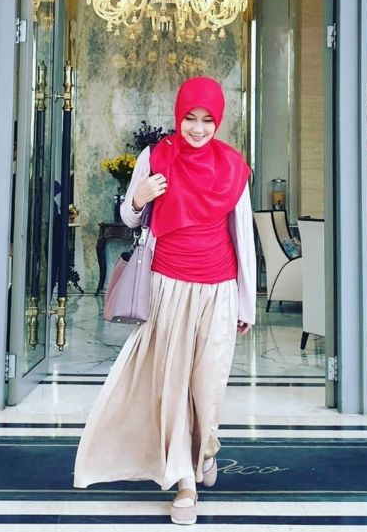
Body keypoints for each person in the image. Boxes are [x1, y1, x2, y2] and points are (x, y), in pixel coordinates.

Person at [74, 77, 256, 525]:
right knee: (173, 385)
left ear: (218, 121)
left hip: (219, 289)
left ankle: (206, 449)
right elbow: (129, 216)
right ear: (179, 116)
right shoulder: (155, 157)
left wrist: (246, 304)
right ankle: (185, 480)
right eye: (190, 118)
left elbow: (244, 239)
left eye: (207, 119)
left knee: (208, 387)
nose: (198, 128)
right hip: (167, 285)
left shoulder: (233, 166)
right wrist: (138, 198)